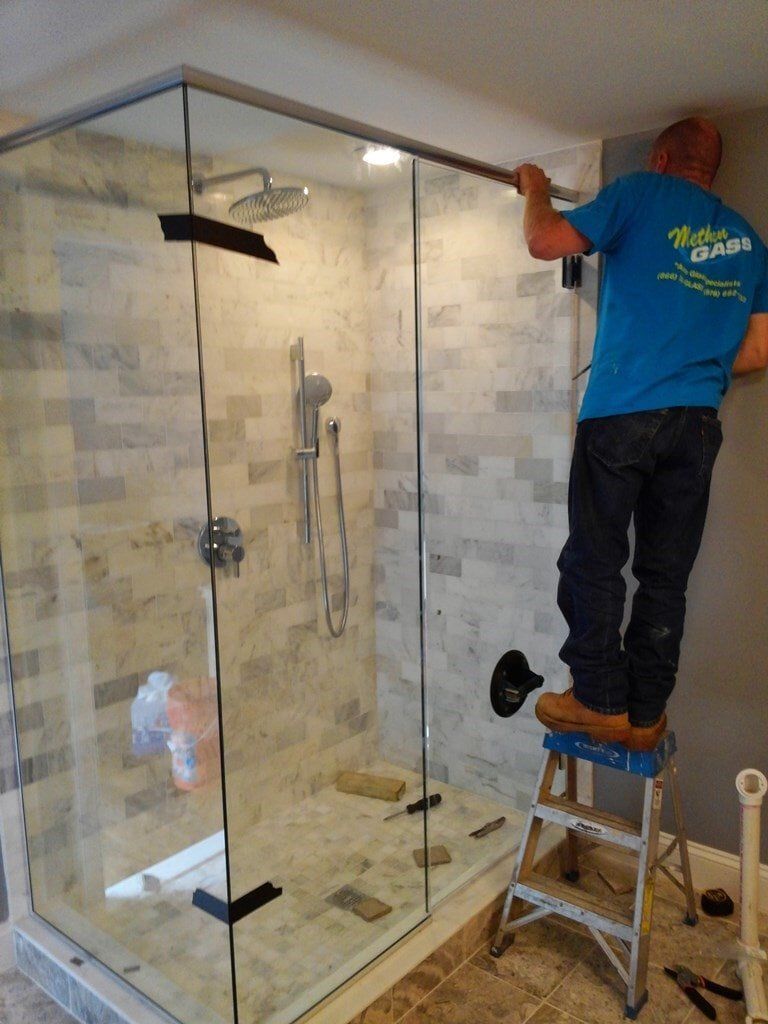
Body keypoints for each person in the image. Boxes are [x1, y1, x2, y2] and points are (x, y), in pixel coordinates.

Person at [513, 117, 768, 751]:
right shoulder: (748, 240)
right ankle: (645, 714)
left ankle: (600, 700)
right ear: (709, 169)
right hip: (697, 424)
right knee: (664, 574)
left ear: (660, 158)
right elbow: (760, 348)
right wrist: (691, 360)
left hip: (623, 411)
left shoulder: (638, 193)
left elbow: (546, 242)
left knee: (595, 556)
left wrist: (535, 188)